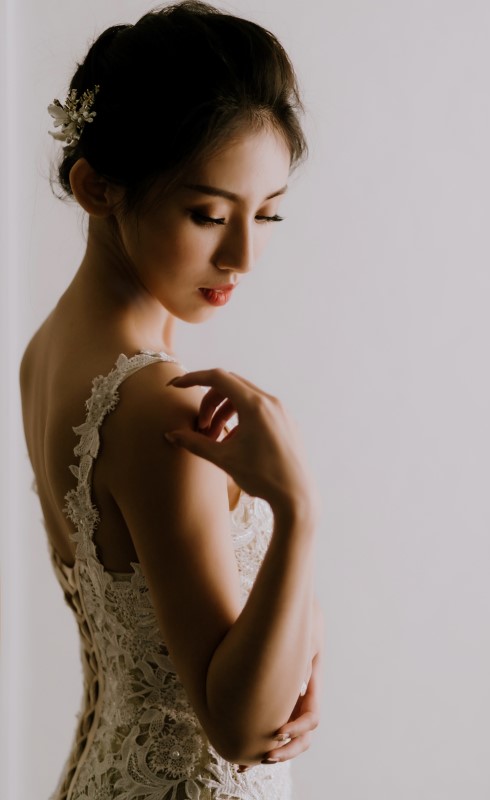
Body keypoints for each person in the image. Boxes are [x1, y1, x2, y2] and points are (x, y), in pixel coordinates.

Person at [19, 2, 323, 798]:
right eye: (209, 214)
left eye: (268, 214)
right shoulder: (158, 407)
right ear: (97, 187)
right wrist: (294, 510)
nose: (244, 255)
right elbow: (242, 731)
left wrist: (296, 640)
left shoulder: (48, 353)